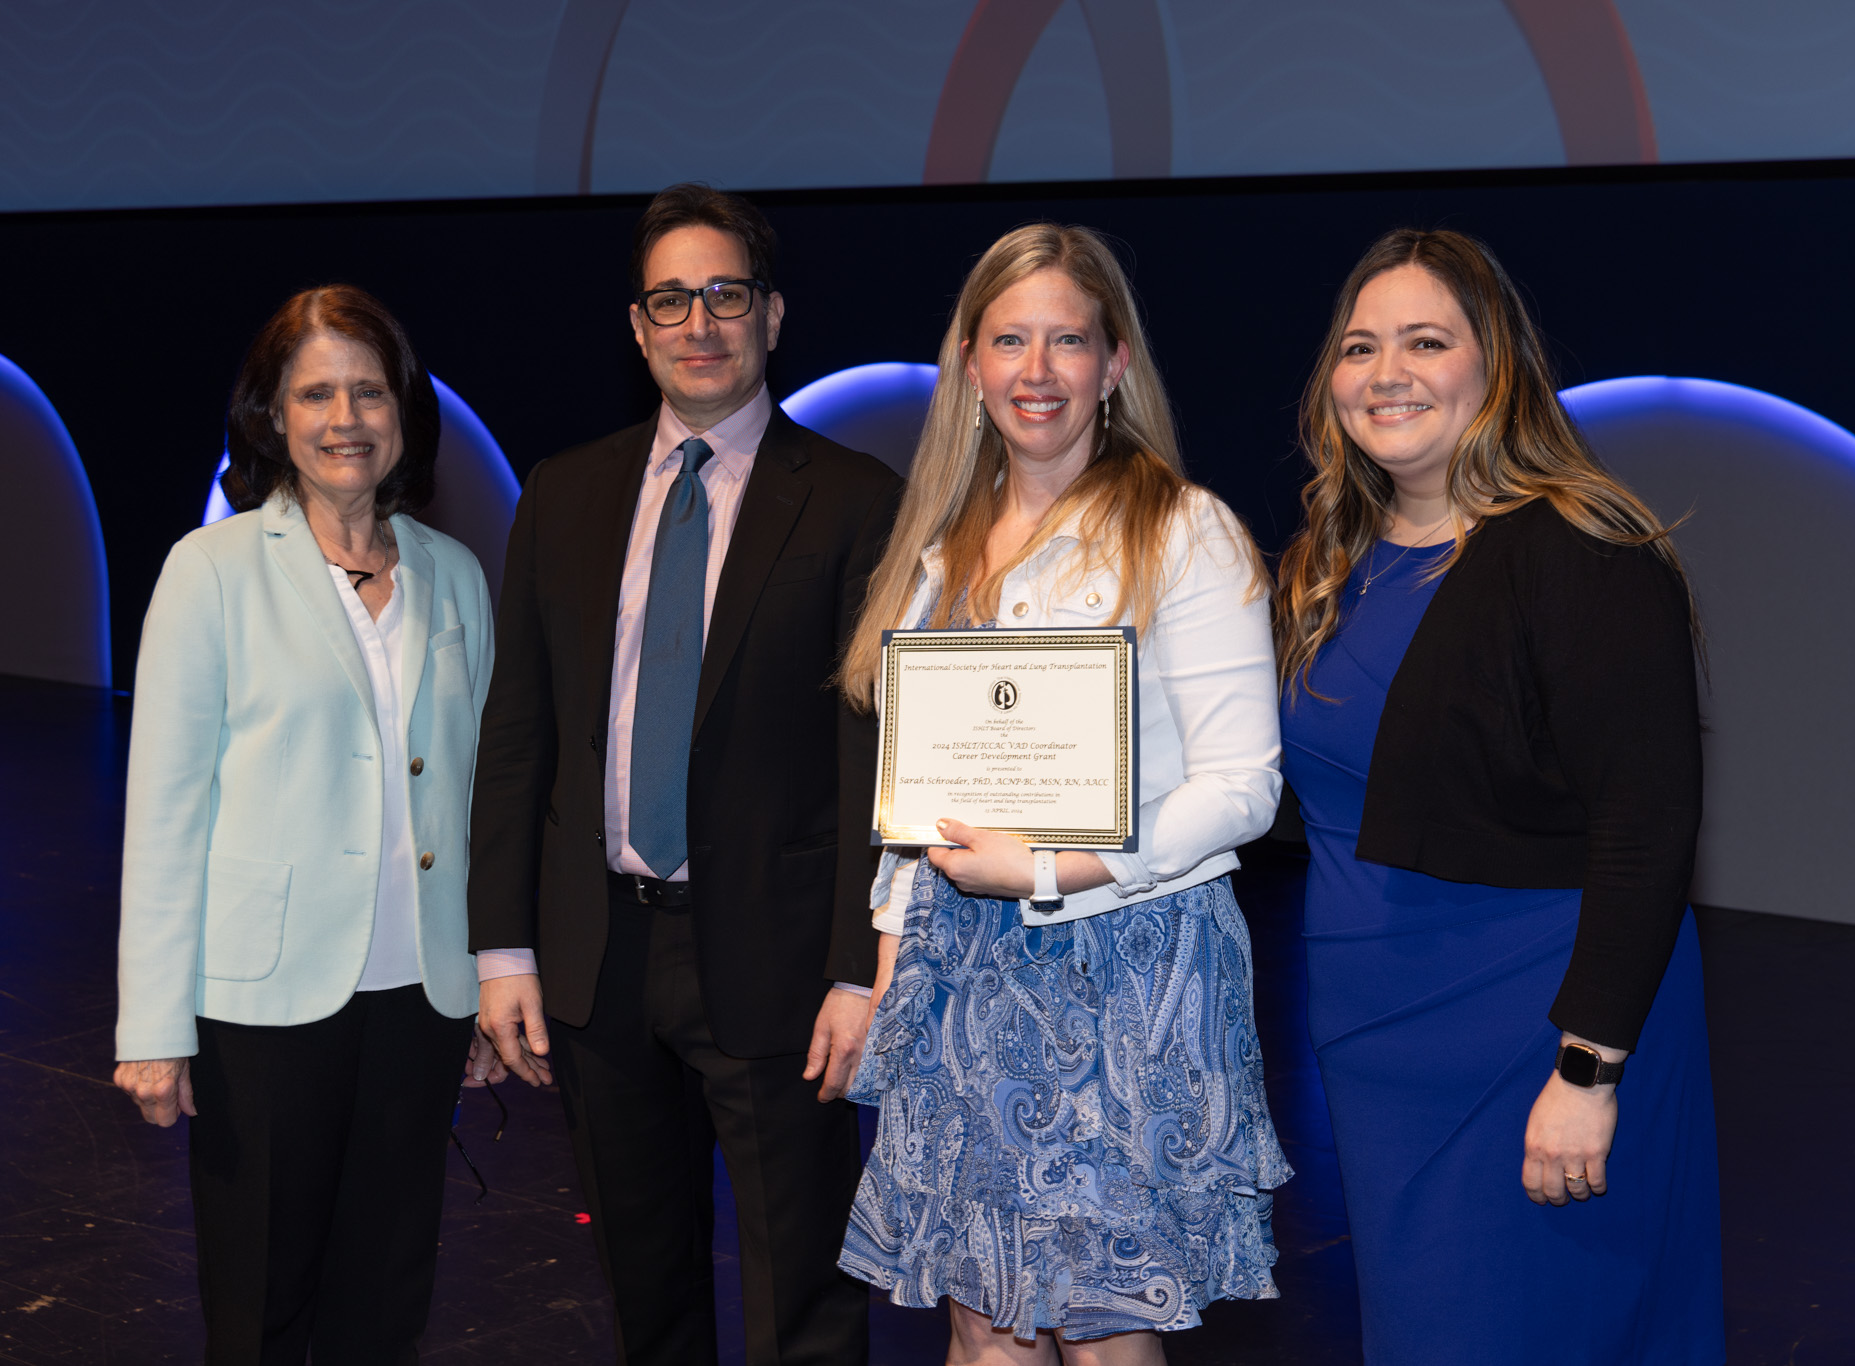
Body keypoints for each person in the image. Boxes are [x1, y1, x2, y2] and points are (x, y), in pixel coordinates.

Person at [836, 223, 1293, 1364]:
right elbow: (917, 798)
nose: (1036, 371)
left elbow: (1244, 788)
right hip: (961, 977)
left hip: (1127, 972)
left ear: (1113, 364)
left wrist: (1049, 866)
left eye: (1067, 341)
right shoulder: (938, 549)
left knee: (1104, 1341)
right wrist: (887, 969)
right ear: (969, 365)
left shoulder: (1189, 532)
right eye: (1008, 341)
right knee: (982, 1329)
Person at [465, 183, 902, 1365]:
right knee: (643, 1289)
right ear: (636, 324)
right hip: (597, 958)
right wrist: (503, 947)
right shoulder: (562, 492)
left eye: (725, 295)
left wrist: (858, 972)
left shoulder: (858, 499)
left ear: (770, 316)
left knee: (802, 1296)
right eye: (672, 298)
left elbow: (876, 757)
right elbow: (520, 731)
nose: (698, 321)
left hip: (775, 961)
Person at [1273, 227, 1725, 1364]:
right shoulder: (1325, 562)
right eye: (1359, 346)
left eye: (1425, 341)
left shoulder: (1582, 544)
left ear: (1496, 366)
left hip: (1535, 1026)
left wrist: (1586, 1070)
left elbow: (1647, 825)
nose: (1386, 373)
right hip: (1375, 1036)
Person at [113, 283, 496, 1363]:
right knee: (263, 1297)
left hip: (418, 992)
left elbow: (474, 794)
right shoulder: (211, 571)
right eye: (316, 392)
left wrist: (480, 980)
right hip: (262, 1005)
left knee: (387, 1292)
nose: (346, 418)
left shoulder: (453, 575)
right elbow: (166, 807)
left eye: (369, 391)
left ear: (402, 412)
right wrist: (151, 1025)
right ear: (271, 416)